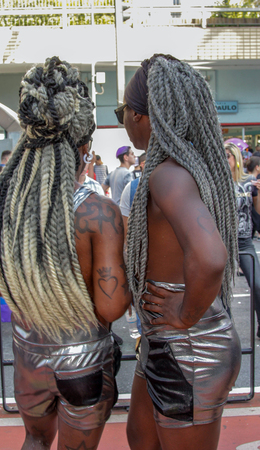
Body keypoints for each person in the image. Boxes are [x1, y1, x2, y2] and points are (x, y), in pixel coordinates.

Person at [0, 56, 131, 450]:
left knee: (33, 440)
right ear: (85, 145)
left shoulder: (4, 205)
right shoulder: (98, 213)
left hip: (28, 357)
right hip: (83, 362)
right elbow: (112, 307)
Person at [115, 54, 241, 450]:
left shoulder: (168, 173)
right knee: (141, 437)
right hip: (167, 342)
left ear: (140, 116)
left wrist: (184, 315)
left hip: (189, 346)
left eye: (123, 111)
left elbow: (210, 256)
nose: (123, 118)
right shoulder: (183, 167)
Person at [225, 141, 260, 338]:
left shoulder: (249, 182)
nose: (224, 159)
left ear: (236, 158)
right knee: (222, 290)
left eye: (227, 155)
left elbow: (257, 213)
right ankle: (226, 329)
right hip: (224, 241)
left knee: (257, 284)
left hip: (245, 240)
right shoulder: (217, 182)